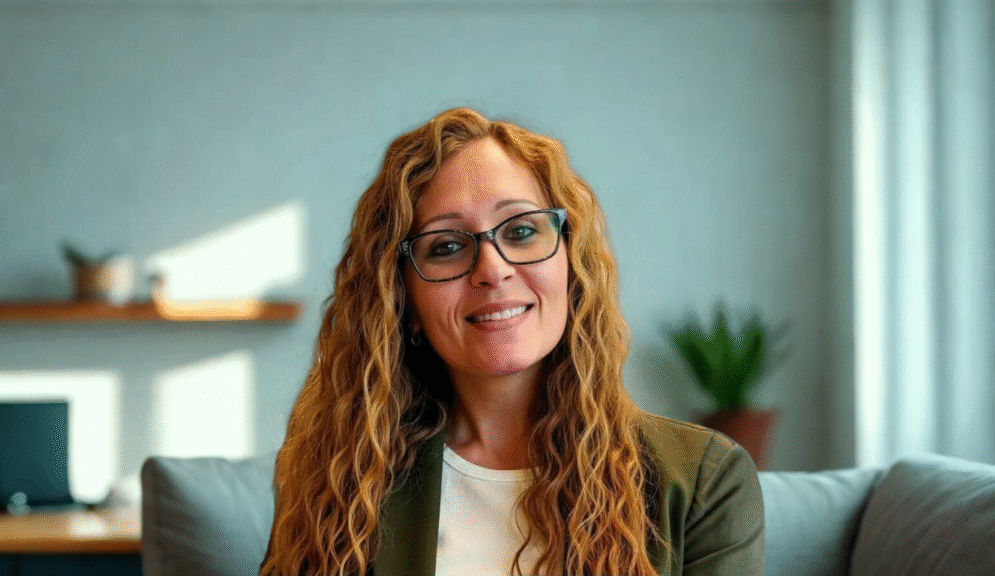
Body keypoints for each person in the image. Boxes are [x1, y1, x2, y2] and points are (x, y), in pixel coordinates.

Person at [260, 108, 765, 576]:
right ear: (402, 298)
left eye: (521, 231)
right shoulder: (338, 479)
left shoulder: (705, 481)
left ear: (572, 264)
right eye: (446, 246)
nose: (493, 269)